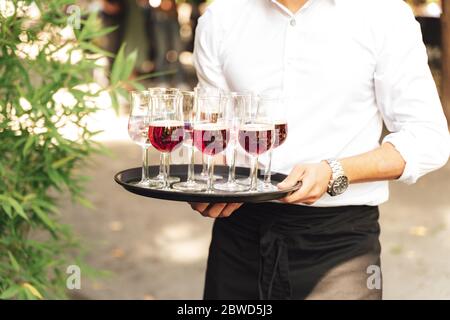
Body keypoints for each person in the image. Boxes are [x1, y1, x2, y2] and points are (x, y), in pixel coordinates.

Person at [190, 0, 450, 299]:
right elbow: (212, 131)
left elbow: (428, 138)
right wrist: (207, 179)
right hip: (238, 236)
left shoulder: (383, 13)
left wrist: (334, 172)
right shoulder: (220, 16)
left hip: (340, 244)